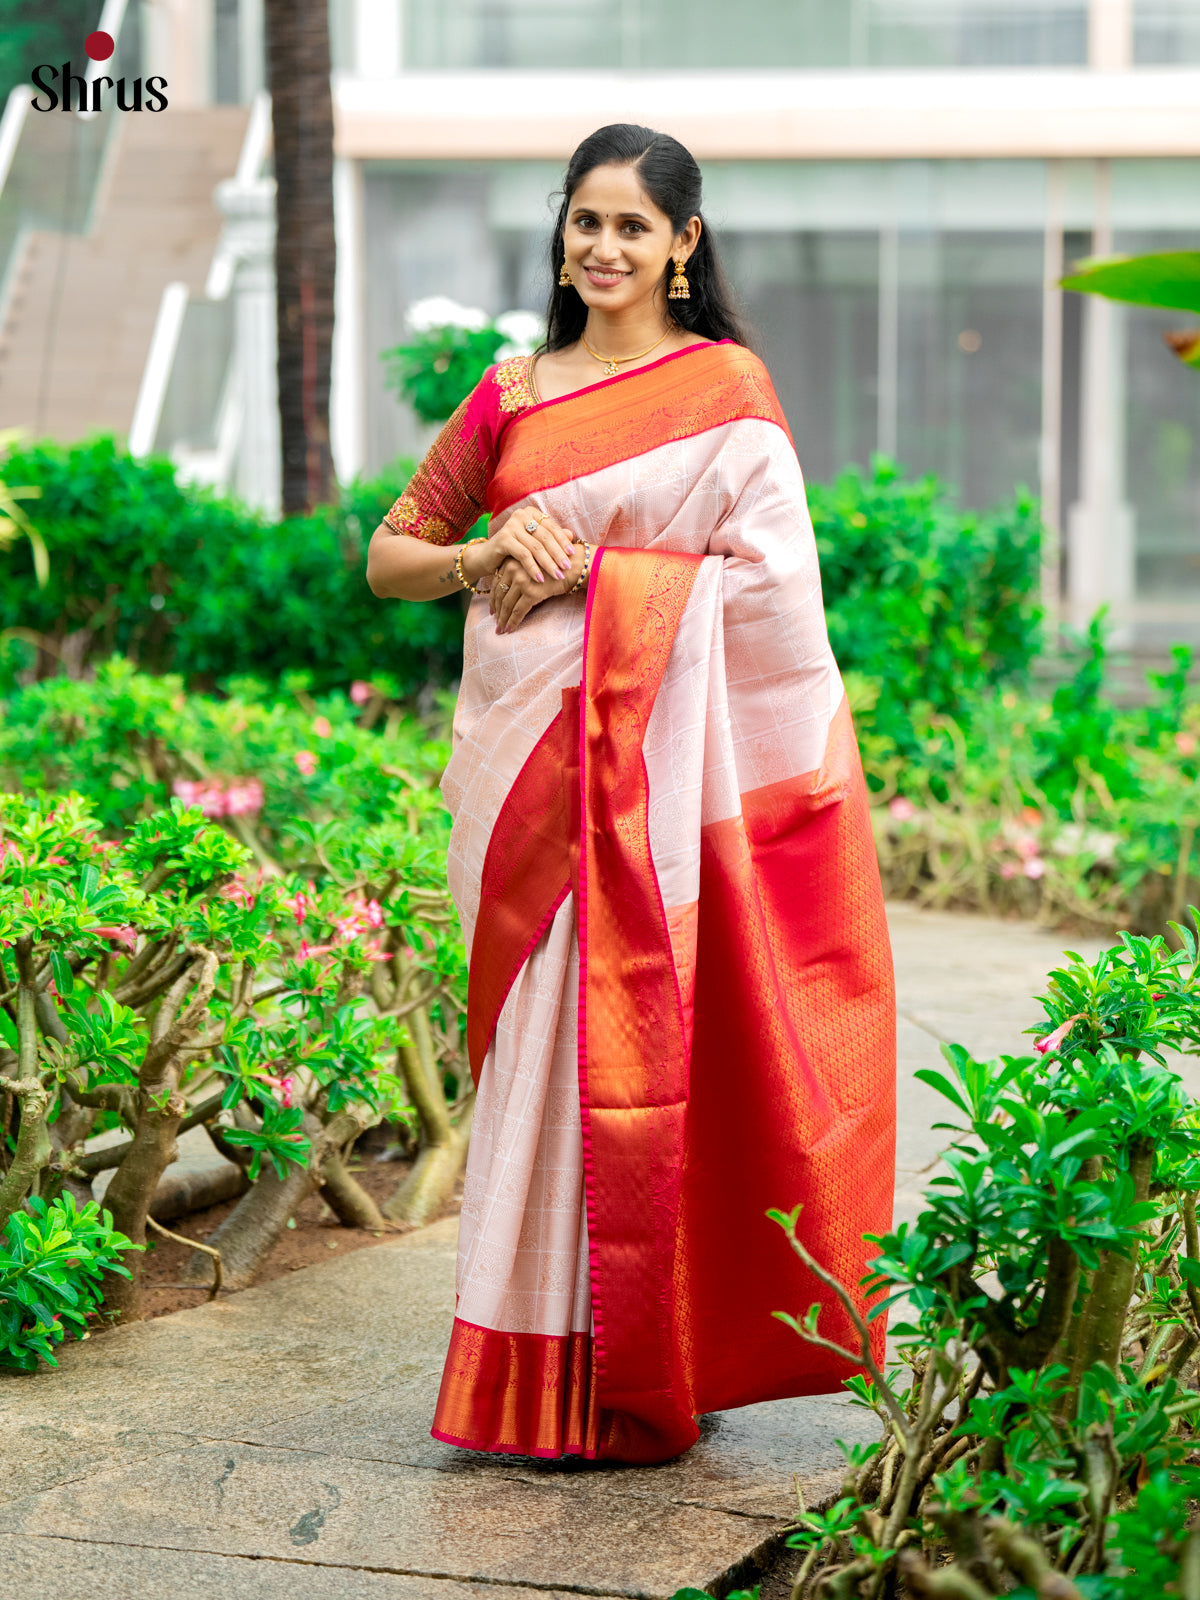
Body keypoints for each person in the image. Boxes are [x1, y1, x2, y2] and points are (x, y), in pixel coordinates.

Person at [366, 123, 896, 1465]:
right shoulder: (511, 390)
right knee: (545, 1061)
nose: (603, 248)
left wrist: (602, 583)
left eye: (633, 227)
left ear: (683, 245)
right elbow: (391, 556)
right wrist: (485, 556)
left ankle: (649, 1351)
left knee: (647, 1065)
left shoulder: (724, 390)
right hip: (532, 790)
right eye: (583, 222)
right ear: (562, 233)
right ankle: (532, 1364)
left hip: (654, 794)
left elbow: (773, 596)